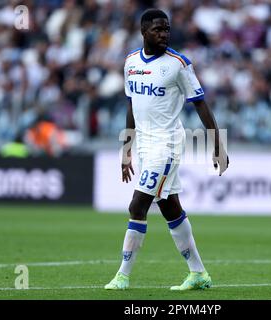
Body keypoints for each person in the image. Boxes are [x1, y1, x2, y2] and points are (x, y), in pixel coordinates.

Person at [104, 9, 229, 291]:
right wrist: (127, 151)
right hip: (146, 146)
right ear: (143, 31)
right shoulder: (130, 62)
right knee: (170, 207)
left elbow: (200, 103)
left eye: (167, 29)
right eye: (158, 29)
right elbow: (131, 105)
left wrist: (218, 145)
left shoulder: (178, 64)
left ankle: (122, 276)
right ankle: (198, 273)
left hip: (168, 144)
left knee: (137, 205)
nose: (164, 34)